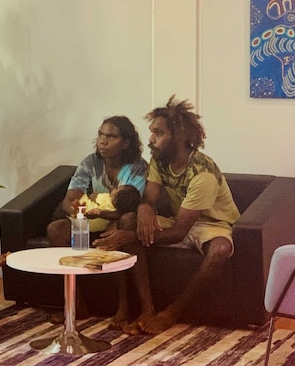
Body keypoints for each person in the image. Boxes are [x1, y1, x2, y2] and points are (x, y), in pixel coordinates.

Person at [94, 95, 240, 335]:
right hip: (176, 219)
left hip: (211, 224)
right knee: (128, 219)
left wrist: (127, 237)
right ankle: (146, 309)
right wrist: (142, 210)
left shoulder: (203, 173)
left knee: (220, 251)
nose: (150, 139)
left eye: (158, 133)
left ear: (180, 136)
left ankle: (172, 313)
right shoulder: (159, 160)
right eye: (152, 132)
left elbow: (179, 233)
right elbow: (149, 199)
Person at [45, 115, 148, 247]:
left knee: (128, 219)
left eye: (111, 137)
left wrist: (102, 215)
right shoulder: (90, 162)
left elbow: (129, 208)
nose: (103, 141)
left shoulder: (137, 167)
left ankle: (125, 266)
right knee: (56, 228)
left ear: (126, 143)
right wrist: (79, 212)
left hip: (117, 221)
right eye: (101, 135)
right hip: (88, 221)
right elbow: (68, 200)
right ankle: (70, 266)